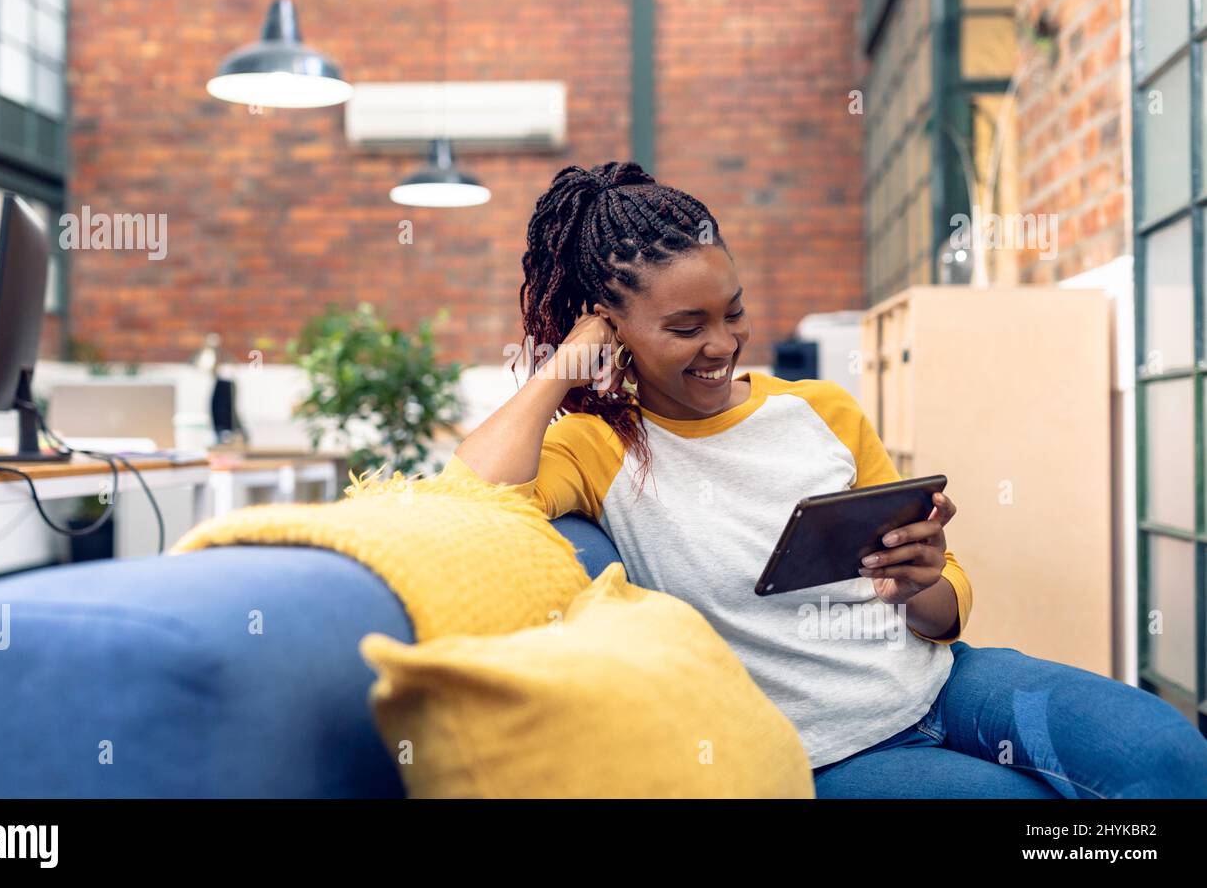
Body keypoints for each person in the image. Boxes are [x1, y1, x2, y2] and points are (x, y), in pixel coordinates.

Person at [445, 160, 1207, 798]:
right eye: (685, 328)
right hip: (830, 753)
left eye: (733, 313)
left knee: (1170, 759)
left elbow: (943, 607)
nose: (722, 344)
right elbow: (467, 496)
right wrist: (566, 363)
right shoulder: (597, 447)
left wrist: (925, 582)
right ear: (609, 326)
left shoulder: (822, 409)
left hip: (945, 681)